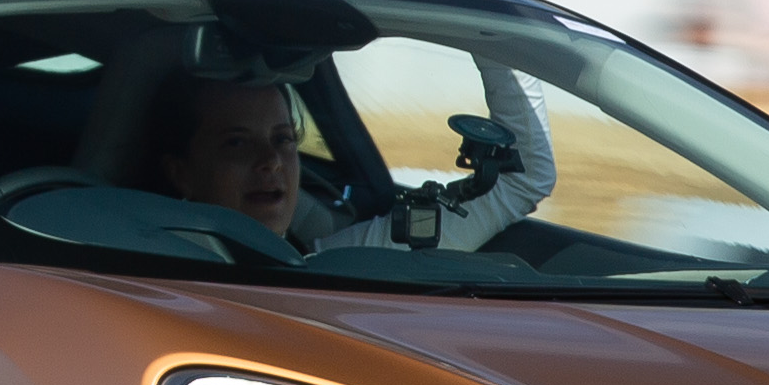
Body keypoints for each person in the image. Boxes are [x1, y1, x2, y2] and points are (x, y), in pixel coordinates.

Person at [129, 46, 556, 261]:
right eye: (237, 143)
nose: (272, 162)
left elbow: (521, 178)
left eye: (283, 139)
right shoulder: (139, 271)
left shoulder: (330, 259)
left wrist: (493, 40)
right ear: (181, 171)